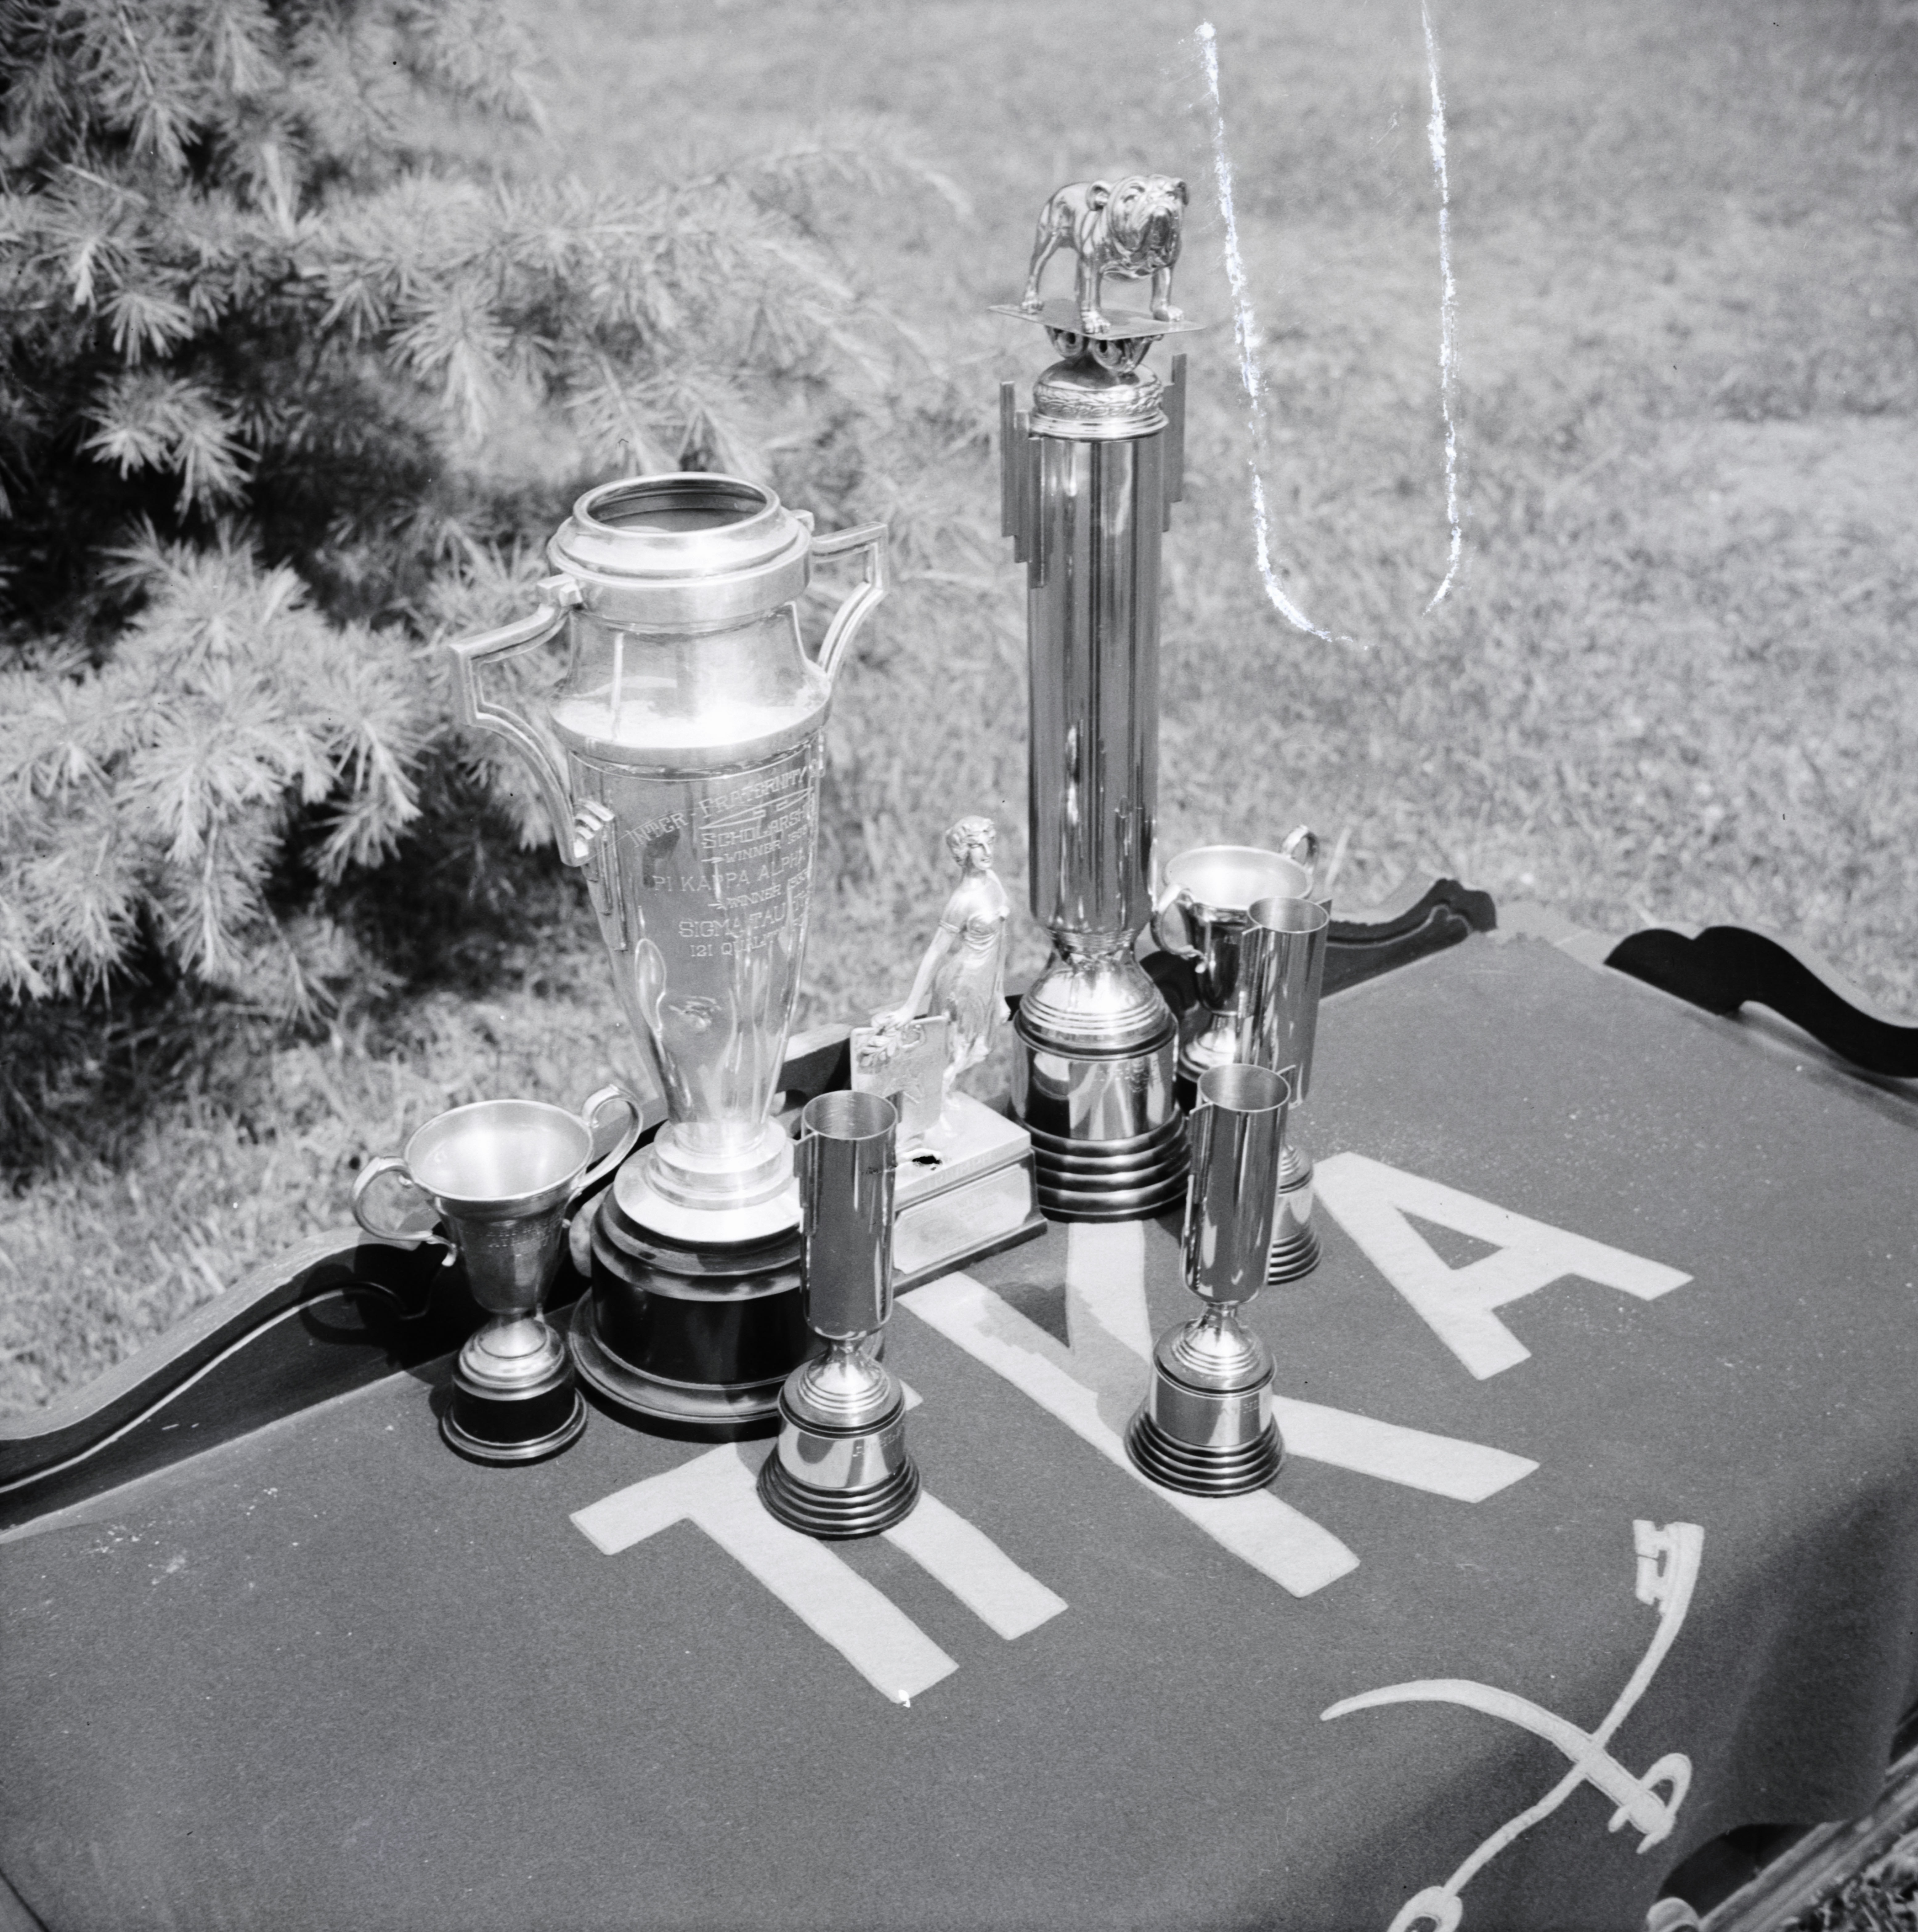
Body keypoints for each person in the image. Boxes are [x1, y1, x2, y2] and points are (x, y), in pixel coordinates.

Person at [879, 815, 1011, 1106]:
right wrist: (911, 1006)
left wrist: (999, 995)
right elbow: (936, 952)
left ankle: (937, 1103)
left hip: (986, 981)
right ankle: (929, 1112)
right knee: (957, 1052)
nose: (988, 852)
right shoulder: (962, 901)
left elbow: (1000, 942)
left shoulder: (993, 881)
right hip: (963, 984)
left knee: (975, 1051)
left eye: (990, 843)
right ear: (963, 852)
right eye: (978, 846)